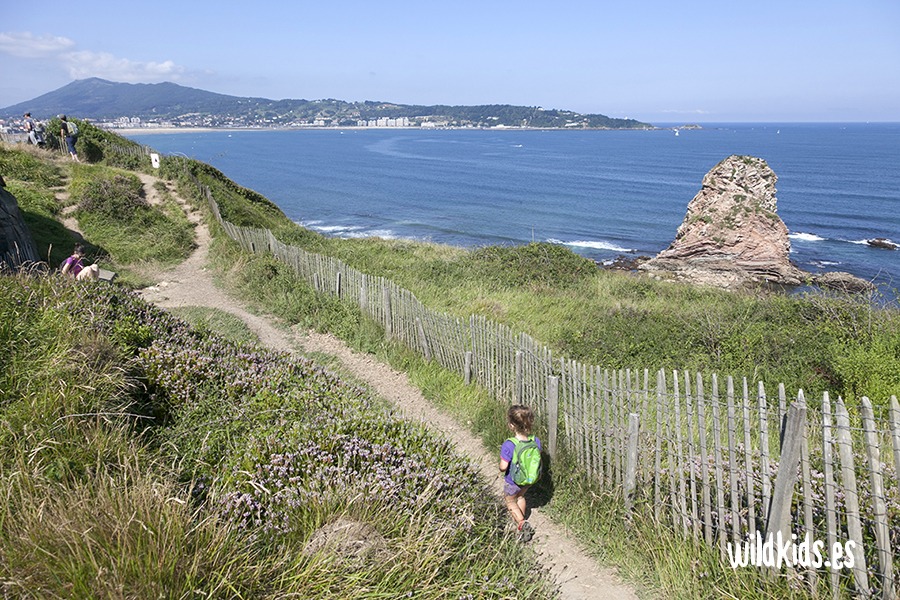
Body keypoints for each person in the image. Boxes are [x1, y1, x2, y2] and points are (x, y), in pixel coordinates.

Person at [499, 404, 542, 541]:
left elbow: (503, 467)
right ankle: (521, 521)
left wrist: (500, 466)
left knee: (510, 501)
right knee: (520, 497)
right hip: (529, 479)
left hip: (514, 480)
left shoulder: (509, 444)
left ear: (511, 425)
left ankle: (522, 523)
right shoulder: (535, 441)